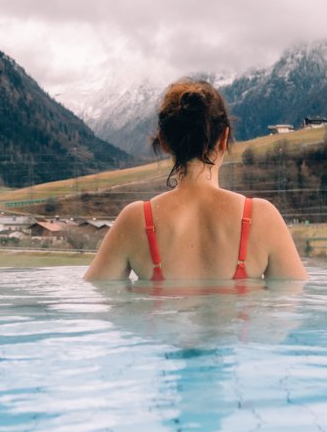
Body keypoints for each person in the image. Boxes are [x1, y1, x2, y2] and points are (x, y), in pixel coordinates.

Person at [85, 79, 307, 282]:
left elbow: (95, 293)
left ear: (163, 142)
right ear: (224, 138)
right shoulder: (262, 217)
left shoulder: (136, 220)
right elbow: (294, 304)